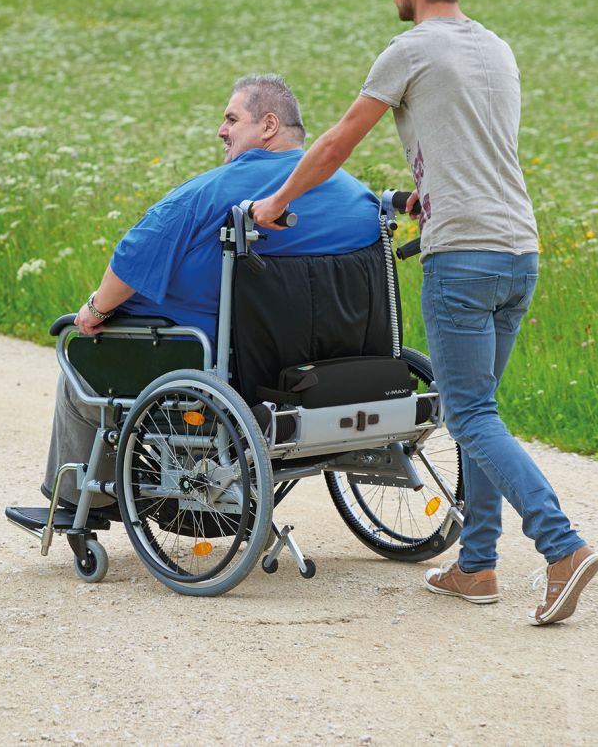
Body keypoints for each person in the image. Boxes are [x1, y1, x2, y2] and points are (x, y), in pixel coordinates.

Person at [251, 0, 598, 626]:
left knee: (469, 414)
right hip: (518, 250)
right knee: (483, 415)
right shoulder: (496, 48)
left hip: (463, 257)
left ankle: (561, 548)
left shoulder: (410, 49)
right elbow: (468, 146)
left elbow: (337, 142)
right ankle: (476, 565)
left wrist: (275, 202)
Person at [37, 74, 381, 516]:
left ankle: (76, 504)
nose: (221, 130)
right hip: (330, 366)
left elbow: (130, 261)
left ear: (269, 126)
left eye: (231, 119)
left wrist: (92, 310)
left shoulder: (209, 193)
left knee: (81, 363)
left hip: (223, 367)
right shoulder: (357, 197)